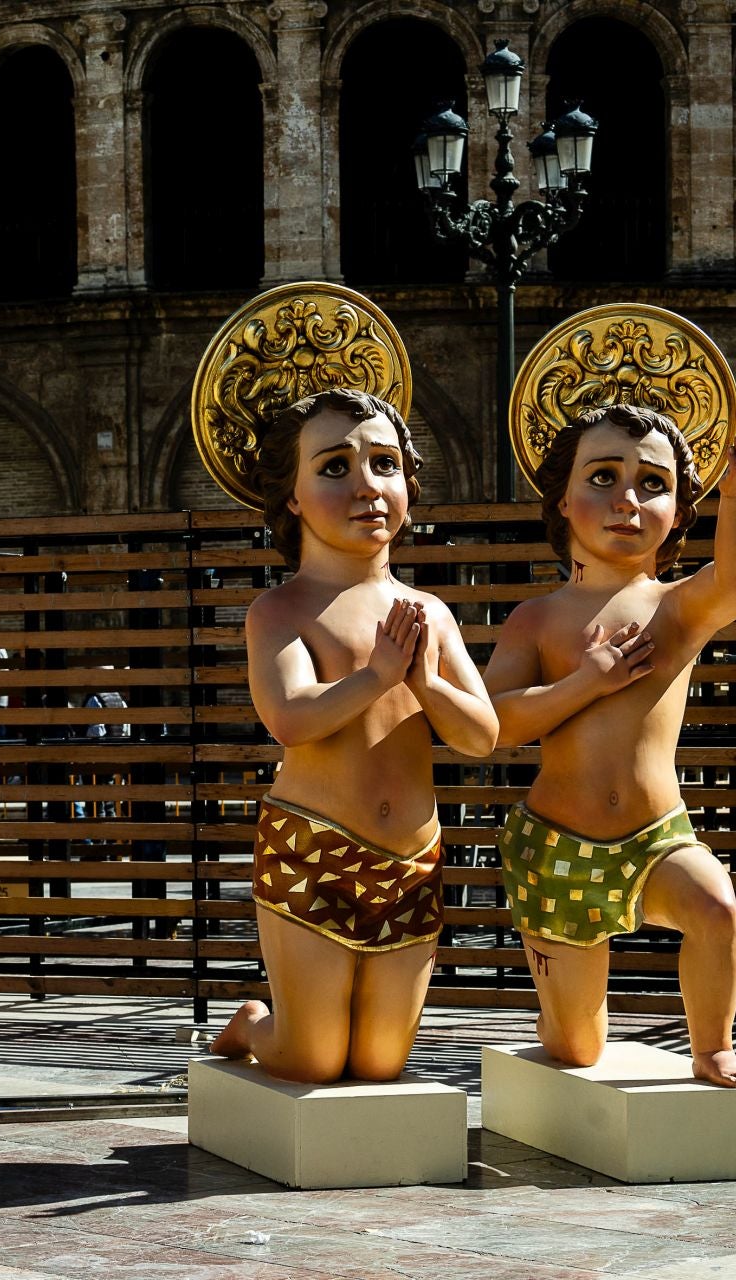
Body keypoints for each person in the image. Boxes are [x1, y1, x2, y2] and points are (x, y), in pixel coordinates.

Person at [208, 388, 497, 1084]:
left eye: (385, 464)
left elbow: (482, 734)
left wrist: (423, 683)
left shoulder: (427, 611)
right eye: (335, 467)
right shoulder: (281, 611)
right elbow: (290, 716)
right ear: (294, 498)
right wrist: (376, 677)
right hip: (314, 851)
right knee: (312, 1059)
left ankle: (285, 1024)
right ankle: (255, 1023)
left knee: (377, 1064)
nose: (367, 486)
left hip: (411, 862)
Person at [483, 403, 736, 1088]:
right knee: (578, 1049)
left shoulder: (676, 607)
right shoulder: (537, 619)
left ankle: (713, 1048)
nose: (627, 501)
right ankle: (557, 1019)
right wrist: (588, 680)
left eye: (651, 483)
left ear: (678, 508)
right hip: (556, 849)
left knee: (715, 905)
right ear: (562, 498)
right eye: (604, 477)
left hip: (656, 840)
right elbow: (496, 725)